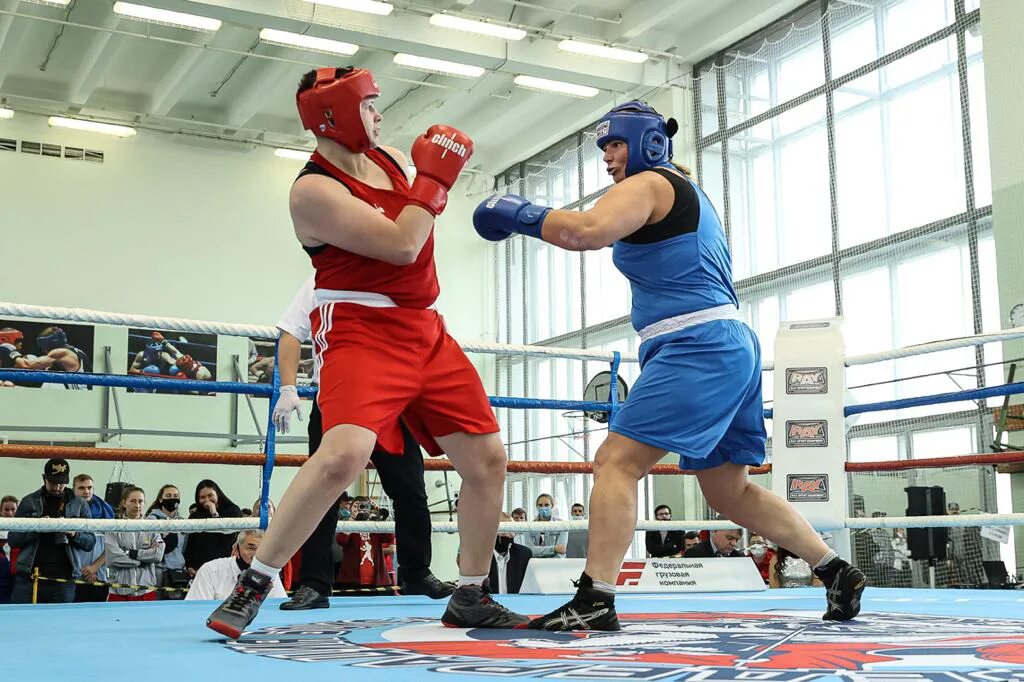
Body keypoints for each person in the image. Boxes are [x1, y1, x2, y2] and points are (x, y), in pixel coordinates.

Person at [473, 100, 865, 630]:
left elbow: (584, 231)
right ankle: (835, 569)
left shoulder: (650, 184)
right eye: (603, 148)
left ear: (647, 143)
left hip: (696, 344)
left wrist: (520, 213)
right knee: (728, 490)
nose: (608, 157)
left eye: (615, 144)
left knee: (616, 461)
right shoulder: (685, 190)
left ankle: (596, 598)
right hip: (726, 343)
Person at [206, 65, 526, 638]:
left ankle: (471, 593)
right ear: (338, 115)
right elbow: (404, 244)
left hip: (425, 328)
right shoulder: (312, 190)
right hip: (359, 326)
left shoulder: (394, 159)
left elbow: (419, 238)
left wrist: (426, 182)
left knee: (487, 460)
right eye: (371, 105)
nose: (380, 115)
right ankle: (255, 580)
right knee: (342, 457)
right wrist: (435, 184)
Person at [272, 275, 455, 610]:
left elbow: (426, 339)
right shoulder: (323, 278)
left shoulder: (399, 277)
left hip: (395, 397)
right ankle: (313, 583)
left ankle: (416, 572)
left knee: (410, 489)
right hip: (338, 396)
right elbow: (290, 332)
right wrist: (288, 388)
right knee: (322, 491)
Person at [8, 459, 95, 603]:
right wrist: (37, 528)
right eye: (54, 482)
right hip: (29, 578)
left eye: (62, 482)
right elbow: (13, 539)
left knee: (61, 624)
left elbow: (90, 542)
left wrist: (74, 533)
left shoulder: (79, 504)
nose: (58, 486)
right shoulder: (29, 501)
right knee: (22, 622)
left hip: (64, 580)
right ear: (44, 478)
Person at [187, 530, 288, 601]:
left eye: (262, 549)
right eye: (251, 548)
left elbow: (278, 606)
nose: (257, 555)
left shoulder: (269, 572)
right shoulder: (210, 570)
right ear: (235, 549)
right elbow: (195, 609)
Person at [105, 487, 165, 601]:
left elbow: (158, 555)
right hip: (119, 591)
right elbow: (113, 558)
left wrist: (131, 553)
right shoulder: (113, 527)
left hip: (146, 590)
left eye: (140, 501)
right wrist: (143, 560)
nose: (137, 505)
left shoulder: (151, 527)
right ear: (124, 503)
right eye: (133, 501)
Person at [185, 480, 242, 577]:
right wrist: (189, 565)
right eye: (202, 497)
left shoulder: (232, 511)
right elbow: (190, 544)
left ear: (218, 494)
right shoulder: (195, 516)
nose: (207, 500)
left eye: (210, 495)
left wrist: (214, 513)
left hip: (225, 569)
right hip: (200, 570)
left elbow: (229, 539)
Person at [71, 474, 112, 602]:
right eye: (81, 488)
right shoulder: (68, 510)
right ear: (74, 490)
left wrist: (95, 567)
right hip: (74, 576)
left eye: (89, 487)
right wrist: (84, 571)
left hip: (99, 575)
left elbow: (112, 545)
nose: (86, 491)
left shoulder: (106, 510)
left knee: (98, 619)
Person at [146, 484, 189, 599]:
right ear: (161, 499)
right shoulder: (152, 520)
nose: (172, 499)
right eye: (168, 496)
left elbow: (184, 548)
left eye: (175, 496)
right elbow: (156, 547)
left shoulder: (183, 523)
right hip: (159, 572)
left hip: (178, 573)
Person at [489, 512, 532, 594]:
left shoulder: (524, 555)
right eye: (503, 530)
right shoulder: (480, 556)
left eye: (511, 530)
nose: (508, 535)